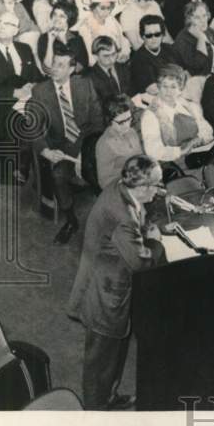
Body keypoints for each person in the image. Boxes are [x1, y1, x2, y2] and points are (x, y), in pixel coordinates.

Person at [67, 154, 166, 410]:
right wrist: (155, 242)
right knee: (100, 358)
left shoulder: (120, 186)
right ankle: (96, 410)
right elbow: (140, 263)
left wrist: (144, 231)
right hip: (104, 292)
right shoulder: (122, 216)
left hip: (109, 279)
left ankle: (108, 397)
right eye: (157, 184)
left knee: (114, 351)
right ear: (142, 187)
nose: (160, 190)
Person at [27, 43, 104, 243]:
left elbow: (97, 121)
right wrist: (46, 151)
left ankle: (107, 212)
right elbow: (33, 128)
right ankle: (71, 220)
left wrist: (85, 149)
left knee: (100, 168)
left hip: (86, 140)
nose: (54, 68)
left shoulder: (85, 84)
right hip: (61, 145)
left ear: (71, 69)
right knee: (58, 175)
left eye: (61, 65)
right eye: (54, 63)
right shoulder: (40, 91)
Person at [0, 12, 43, 149]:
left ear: (16, 30)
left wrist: (34, 85)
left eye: (7, 24)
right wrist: (14, 92)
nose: (1, 26)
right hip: (0, 107)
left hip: (26, 103)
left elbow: (36, 76)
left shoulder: (25, 49)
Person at [140, 65, 214, 175]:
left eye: (173, 87)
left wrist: (200, 139)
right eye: (164, 86)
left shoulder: (187, 105)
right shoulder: (151, 115)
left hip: (199, 155)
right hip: (176, 165)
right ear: (158, 87)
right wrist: (181, 150)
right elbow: (153, 151)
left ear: (180, 88)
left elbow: (206, 128)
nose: (168, 91)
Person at [94, 97, 142, 190]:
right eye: (121, 122)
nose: (127, 125)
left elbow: (140, 158)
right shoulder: (104, 144)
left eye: (129, 119)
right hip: (121, 186)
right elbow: (104, 182)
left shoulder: (131, 131)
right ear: (109, 121)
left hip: (139, 178)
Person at [77, 0, 131, 65]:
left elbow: (123, 40)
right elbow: (91, 57)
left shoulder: (111, 19)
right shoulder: (86, 26)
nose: (107, 11)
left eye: (109, 8)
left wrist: (124, 53)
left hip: (118, 58)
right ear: (94, 7)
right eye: (102, 8)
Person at [129, 15, 180, 95]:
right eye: (149, 35)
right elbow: (153, 90)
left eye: (157, 34)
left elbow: (185, 73)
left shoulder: (170, 49)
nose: (154, 38)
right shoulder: (138, 59)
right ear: (143, 36)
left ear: (162, 35)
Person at [173, 1, 214, 76]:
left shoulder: (208, 30)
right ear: (189, 19)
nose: (203, 21)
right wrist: (201, 38)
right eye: (197, 18)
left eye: (204, 16)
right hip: (206, 77)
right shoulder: (182, 40)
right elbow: (199, 67)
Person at [37, 2, 88, 75]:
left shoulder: (77, 38)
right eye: (54, 14)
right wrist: (50, 41)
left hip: (77, 78)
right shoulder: (44, 38)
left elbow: (83, 64)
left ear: (70, 19)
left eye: (62, 16)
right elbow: (47, 69)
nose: (56, 19)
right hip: (56, 79)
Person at [87, 35, 134, 102]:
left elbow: (132, 92)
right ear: (95, 57)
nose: (112, 60)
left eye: (113, 54)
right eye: (106, 56)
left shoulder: (123, 68)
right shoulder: (90, 78)